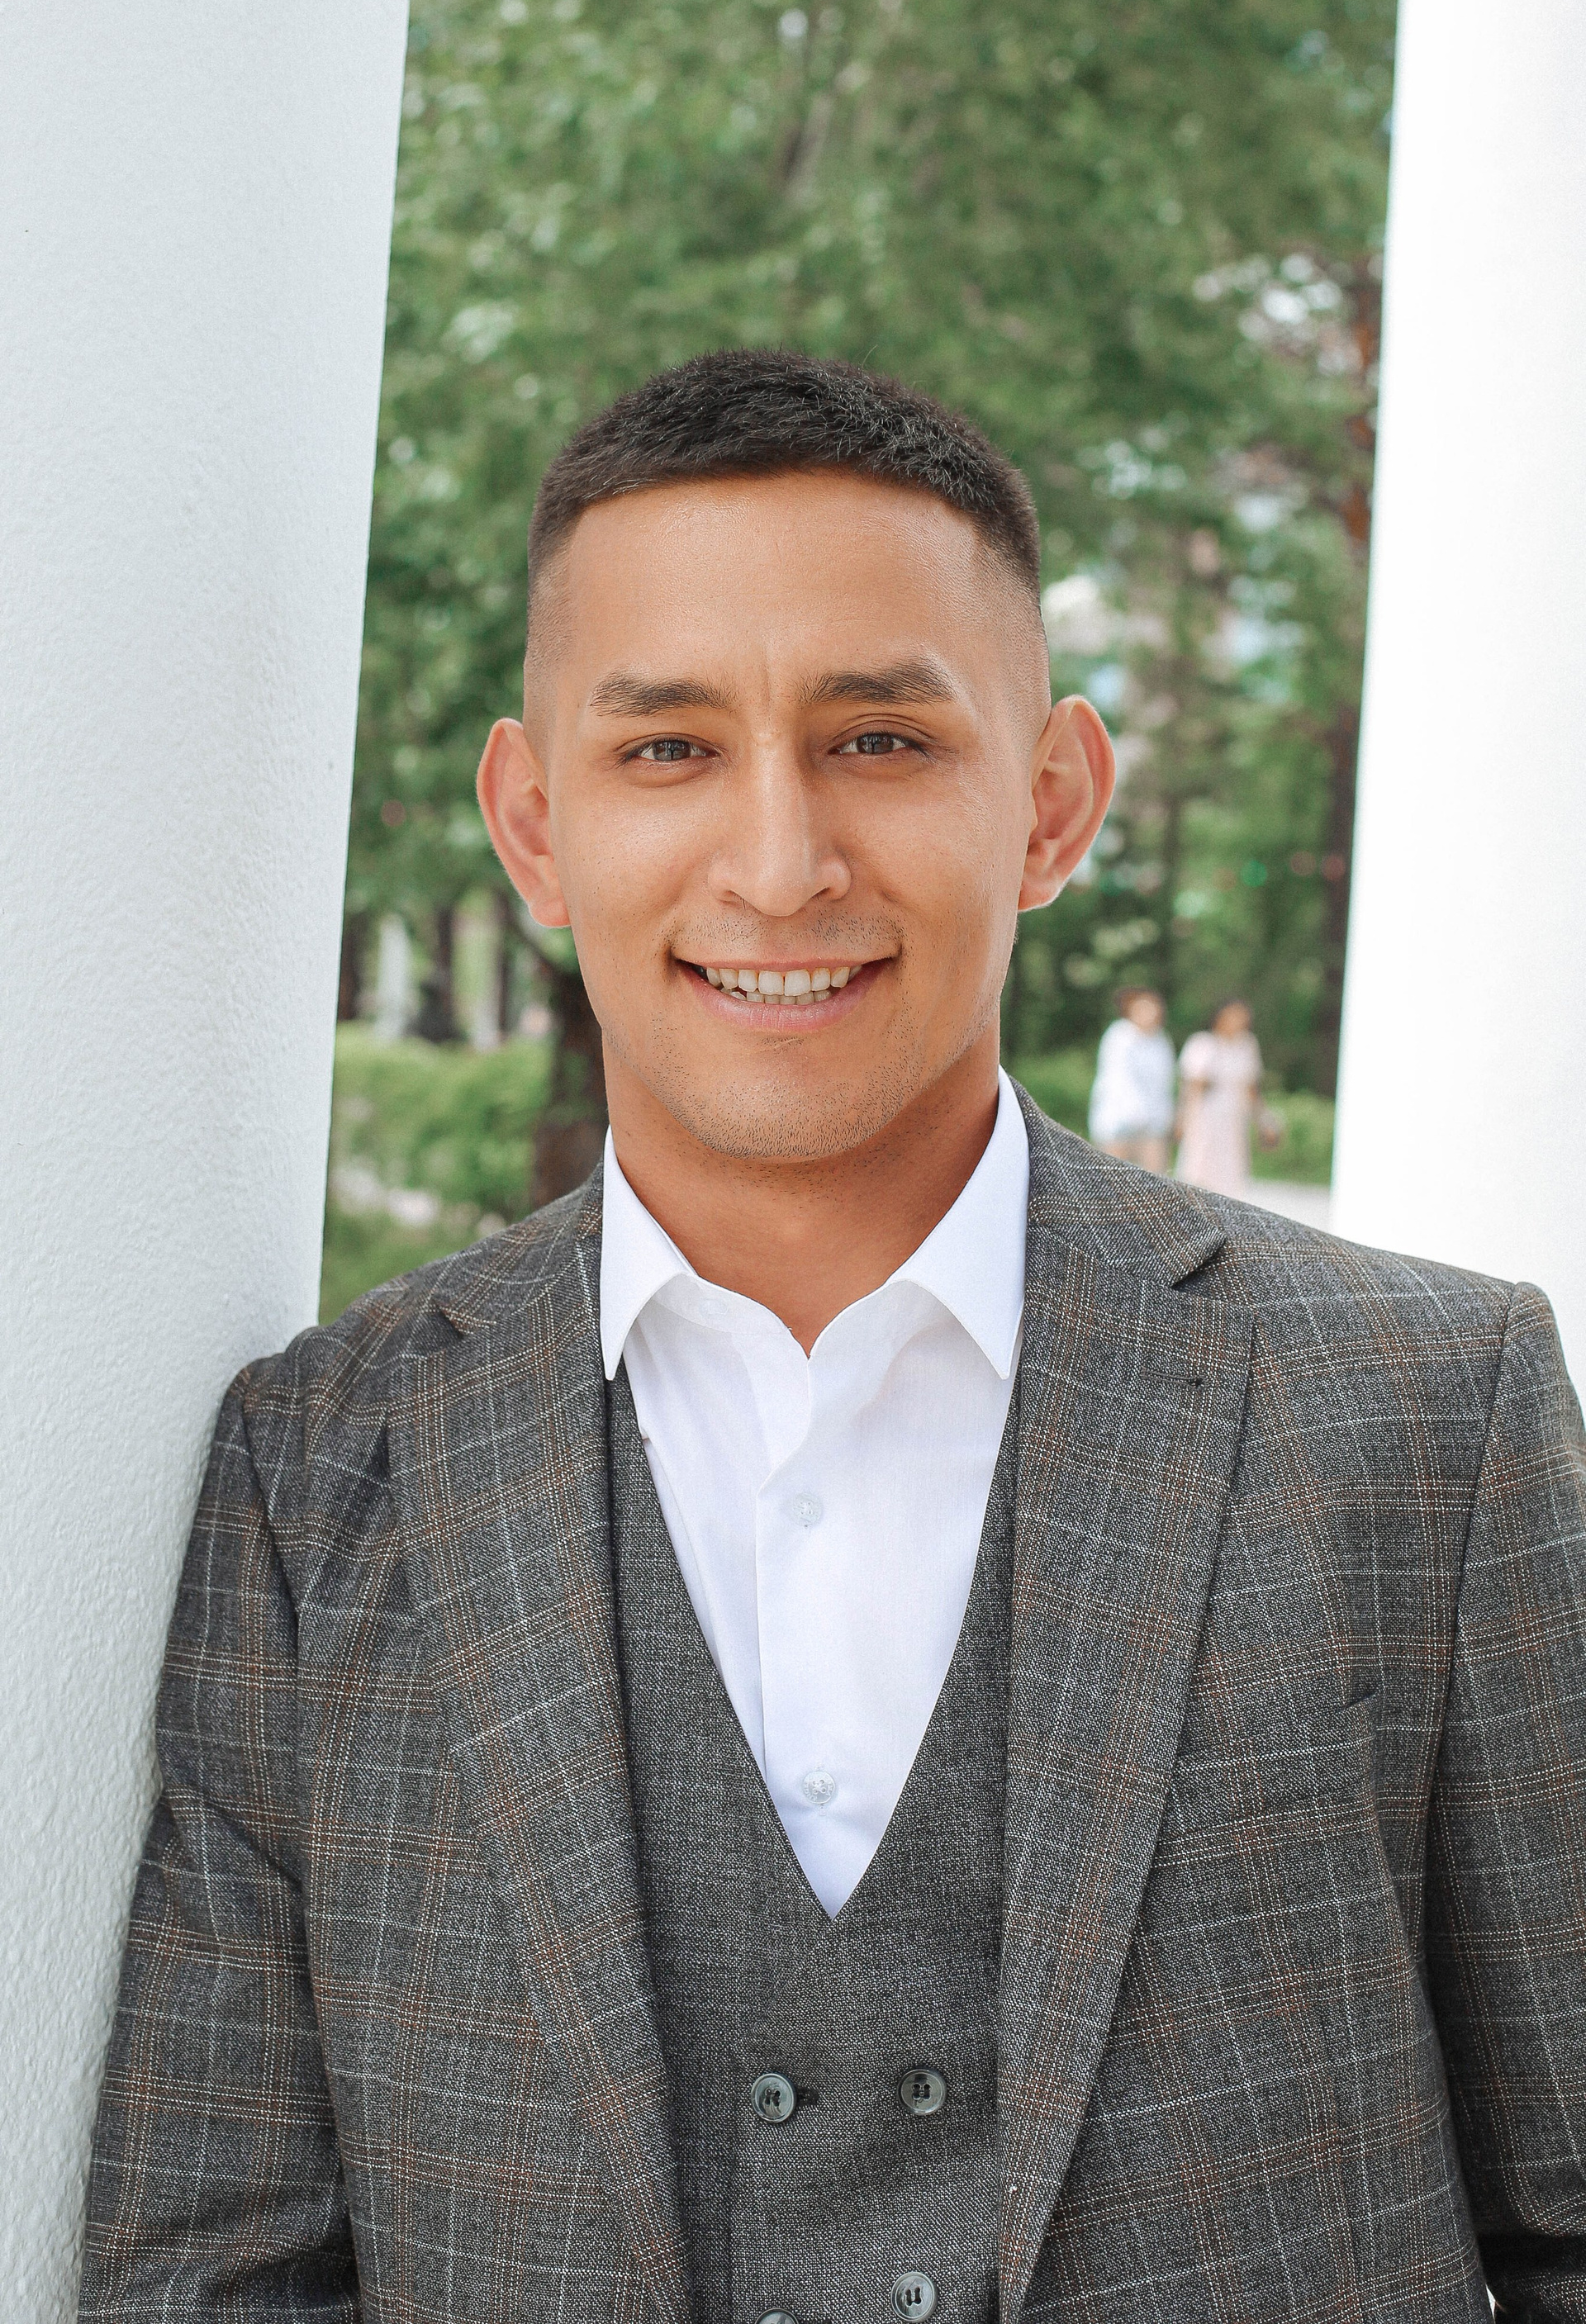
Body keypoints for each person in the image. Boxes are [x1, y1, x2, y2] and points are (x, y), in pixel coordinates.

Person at [79, 352, 1586, 2324]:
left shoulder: (1429, 1419)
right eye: (667, 749)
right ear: (533, 825)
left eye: (879, 739)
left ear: (1049, 803)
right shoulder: (316, 1468)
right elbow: (209, 2273)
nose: (780, 863)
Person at [1175, 996, 1263, 1198]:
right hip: (1206, 1116)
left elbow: (1251, 1088)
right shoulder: (1203, 1043)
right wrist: (1183, 1119)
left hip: (1235, 1116)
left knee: (1231, 1170)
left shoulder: (1247, 1045)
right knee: (1199, 1167)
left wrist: (1261, 1119)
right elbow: (1193, 1087)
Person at [1087, 985, 1175, 1171]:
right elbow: (1118, 1080)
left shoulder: (1161, 1040)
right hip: (1119, 1119)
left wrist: (1166, 1116)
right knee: (1114, 1175)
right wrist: (1135, 1114)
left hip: (1153, 1120)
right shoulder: (1119, 1036)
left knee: (1155, 1175)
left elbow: (1164, 1083)